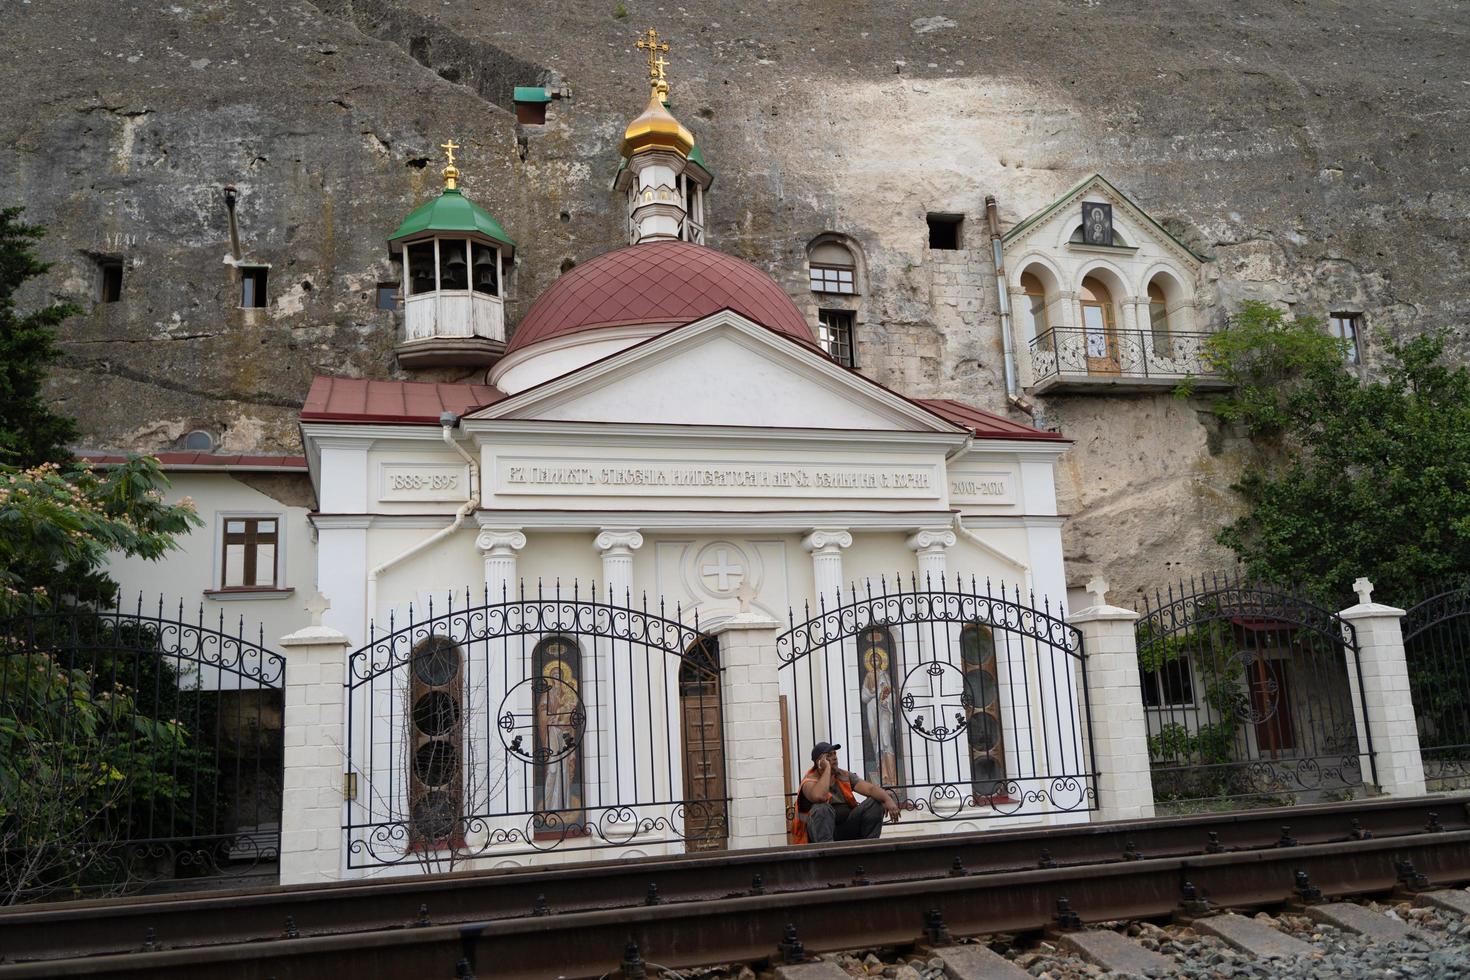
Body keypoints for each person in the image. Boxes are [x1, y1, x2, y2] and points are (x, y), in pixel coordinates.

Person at [790, 741, 901, 844]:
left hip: (847, 826)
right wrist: (827, 768)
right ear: (819, 762)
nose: (834, 758)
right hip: (821, 835)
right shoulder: (809, 781)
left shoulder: (843, 775)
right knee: (821, 809)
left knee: (875, 802)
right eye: (829, 756)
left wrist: (888, 800)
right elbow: (820, 797)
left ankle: (869, 847)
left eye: (834, 754)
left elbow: (870, 789)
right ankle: (827, 853)